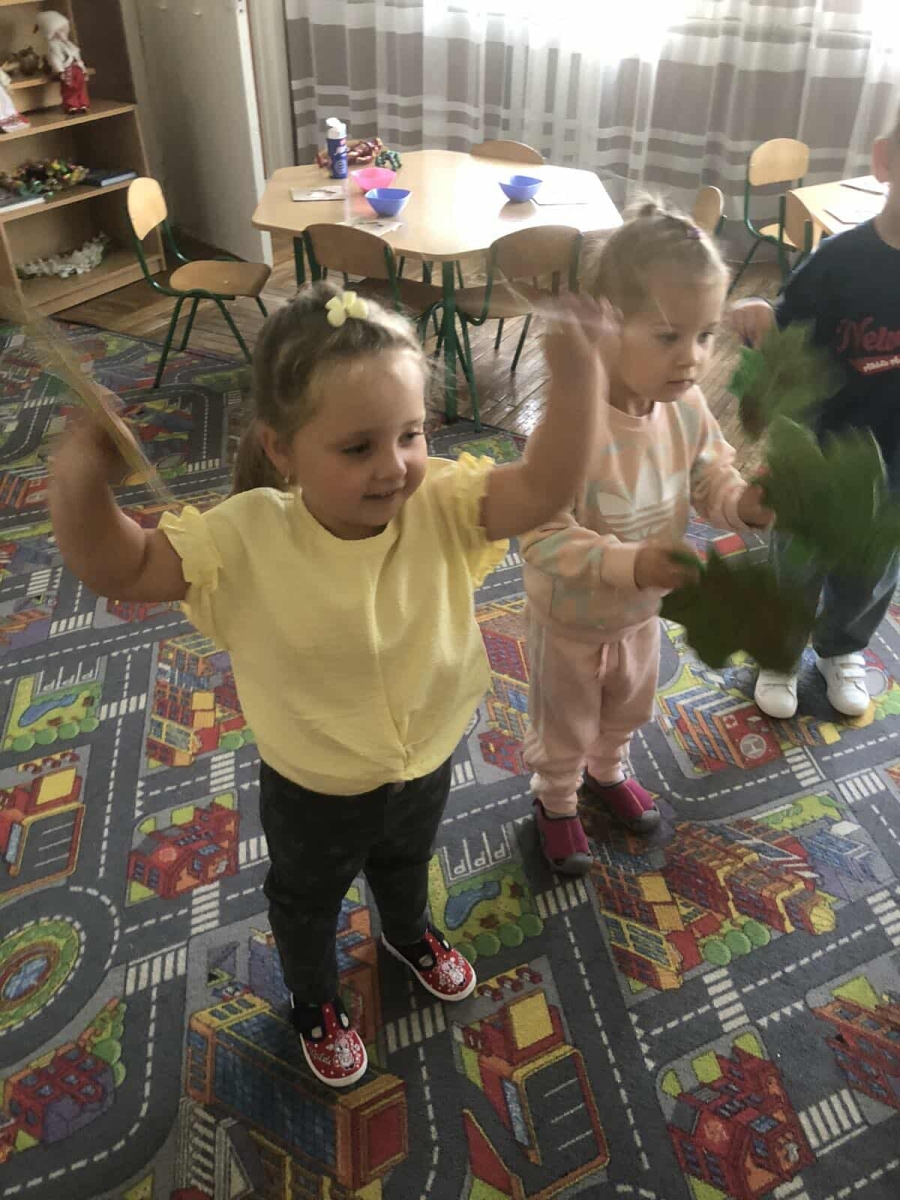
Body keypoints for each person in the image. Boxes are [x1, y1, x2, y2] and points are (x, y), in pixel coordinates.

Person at [49, 280, 612, 1087]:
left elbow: (547, 485)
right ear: (281, 449)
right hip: (313, 783)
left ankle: (407, 934)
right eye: (357, 448)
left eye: (410, 434)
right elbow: (124, 565)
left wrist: (579, 377)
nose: (394, 467)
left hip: (426, 754)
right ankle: (313, 999)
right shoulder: (245, 537)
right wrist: (81, 473)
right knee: (307, 899)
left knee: (406, 860)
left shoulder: (443, 501)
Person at [520, 201, 772, 875]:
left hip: (639, 614)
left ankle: (608, 770)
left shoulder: (686, 408)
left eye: (705, 335)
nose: (692, 358)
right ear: (608, 322)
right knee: (562, 723)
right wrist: (629, 563)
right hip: (569, 621)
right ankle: (557, 800)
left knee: (629, 705)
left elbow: (712, 477)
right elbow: (540, 535)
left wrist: (747, 503)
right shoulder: (569, 426)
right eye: (668, 336)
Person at [731, 109, 900, 721]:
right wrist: (760, 314)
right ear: (885, 161)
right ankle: (779, 650)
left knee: (872, 568)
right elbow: (786, 327)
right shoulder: (839, 260)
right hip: (816, 448)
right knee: (797, 562)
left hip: (896, 463)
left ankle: (841, 647)